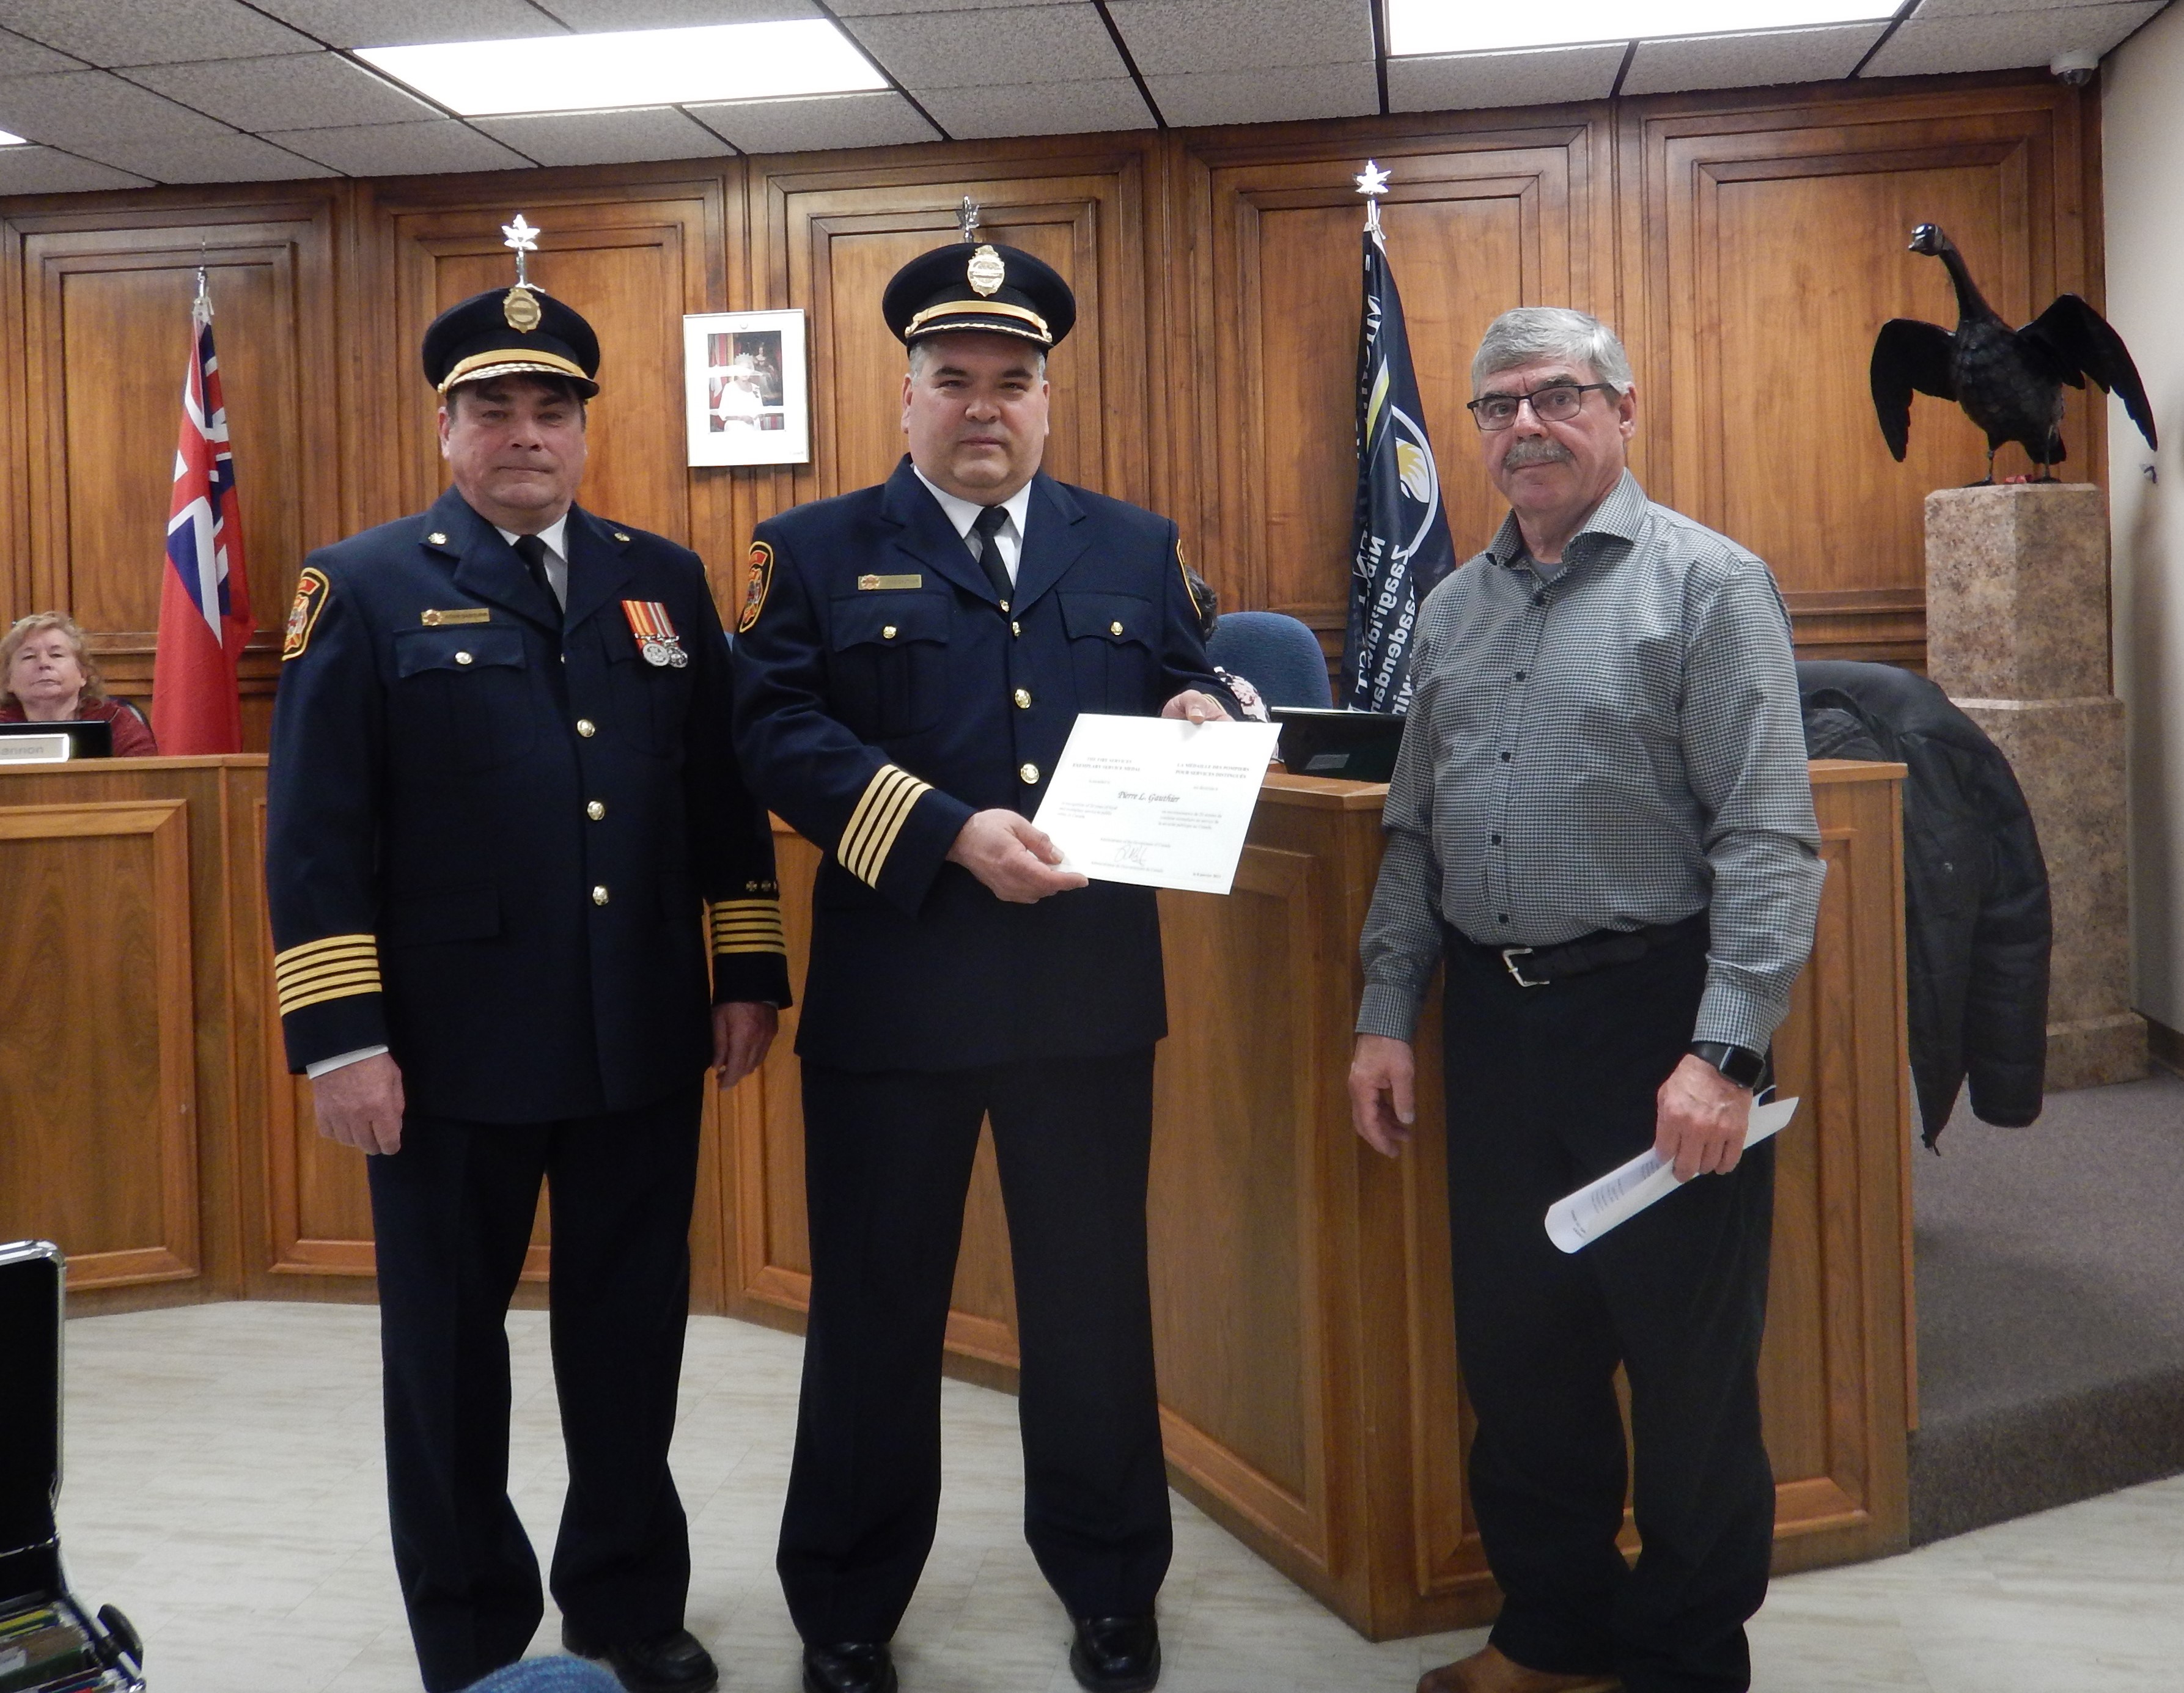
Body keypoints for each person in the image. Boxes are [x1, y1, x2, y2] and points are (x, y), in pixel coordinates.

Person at [264, 245, 790, 1693]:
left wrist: (743, 967)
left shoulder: (663, 580)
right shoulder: (359, 587)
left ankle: (625, 1601)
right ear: (446, 428)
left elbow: (716, 796)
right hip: (443, 1054)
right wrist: (338, 1036)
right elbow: (314, 835)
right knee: (446, 1361)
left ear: (583, 424)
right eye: (490, 408)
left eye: (550, 407)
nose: (523, 434)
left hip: (635, 1037)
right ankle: (472, 1633)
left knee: (630, 1340)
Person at [731, 237, 1239, 1693]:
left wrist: (1207, 702)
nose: (982, 407)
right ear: (905, 397)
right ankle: (841, 1603)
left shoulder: (1133, 546)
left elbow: (1187, 683)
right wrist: (948, 831)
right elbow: (774, 733)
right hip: (899, 997)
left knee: (1092, 1306)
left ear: (1046, 399)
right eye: (952, 381)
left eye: (1011, 382)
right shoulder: (812, 550)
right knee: (875, 1310)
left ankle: (1109, 1586)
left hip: (1083, 997)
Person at [1347, 307, 1823, 1693]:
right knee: (1521, 1358)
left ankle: (1681, 1659)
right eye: (1496, 406)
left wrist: (1723, 1049)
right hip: (1494, 1028)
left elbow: (1767, 838)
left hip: (1657, 1021)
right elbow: (1414, 834)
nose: (1523, 427)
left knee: (1685, 1376)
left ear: (1622, 410)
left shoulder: (1709, 586)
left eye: (1556, 396)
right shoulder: (1451, 606)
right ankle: (1551, 1633)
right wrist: (1387, 1009)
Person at [0, 612, 158, 754]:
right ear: (8, 681)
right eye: (29, 657)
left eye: (56, 655)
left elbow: (142, 781)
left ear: (83, 674)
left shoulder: (116, 721)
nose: (44, 663)